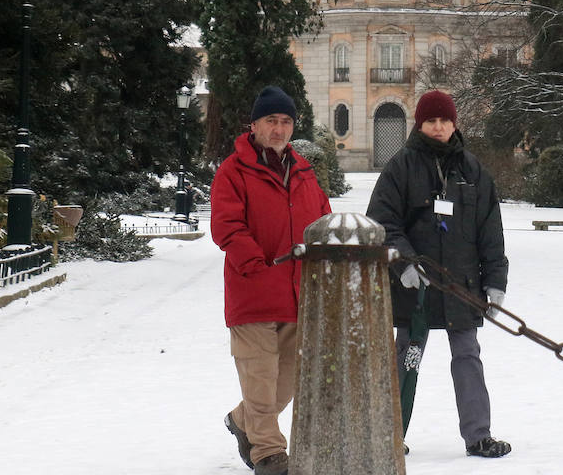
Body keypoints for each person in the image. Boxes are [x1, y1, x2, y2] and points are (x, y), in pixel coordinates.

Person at [366, 90, 512, 459]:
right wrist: (404, 263)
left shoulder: (473, 171)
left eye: (444, 120)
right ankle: (390, 433)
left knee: (467, 357)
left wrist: (495, 282)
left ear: (454, 124)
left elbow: (490, 232)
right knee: (408, 357)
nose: (438, 127)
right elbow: (383, 222)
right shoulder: (400, 166)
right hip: (415, 287)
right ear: (420, 124)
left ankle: (479, 434)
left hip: (461, 287)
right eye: (431, 121)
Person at [211, 86, 332, 474]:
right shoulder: (233, 170)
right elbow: (226, 226)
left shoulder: (304, 171)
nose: (279, 130)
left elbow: (322, 219)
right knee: (261, 381)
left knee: (286, 385)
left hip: (298, 296)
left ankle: (240, 420)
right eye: (271, 121)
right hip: (254, 293)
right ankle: (268, 453)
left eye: (285, 122)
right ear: (255, 124)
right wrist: (256, 263)